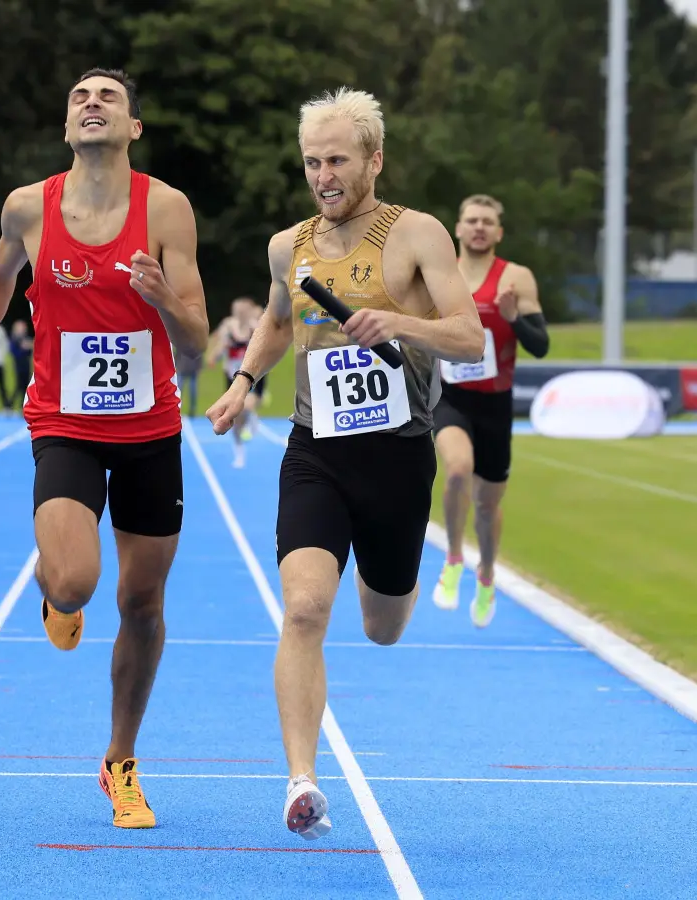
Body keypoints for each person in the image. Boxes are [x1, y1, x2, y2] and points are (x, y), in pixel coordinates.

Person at [206, 86, 483, 841]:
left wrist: (394, 321)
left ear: (374, 160)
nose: (323, 174)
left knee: (382, 625)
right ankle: (301, 781)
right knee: (302, 608)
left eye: (337, 159)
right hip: (314, 453)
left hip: (396, 458)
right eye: (312, 162)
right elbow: (274, 319)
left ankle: (392, 581)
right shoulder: (286, 246)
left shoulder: (416, 234)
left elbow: (470, 338)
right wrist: (241, 382)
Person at [0, 68, 208, 830]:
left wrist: (164, 300)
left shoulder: (166, 208)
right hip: (64, 421)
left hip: (151, 427)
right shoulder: (28, 207)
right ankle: (54, 580)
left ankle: (120, 762)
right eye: (79, 99)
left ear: (134, 127)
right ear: (66, 129)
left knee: (142, 602)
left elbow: (197, 335)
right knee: (80, 583)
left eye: (109, 99)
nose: (92, 105)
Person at [428, 195, 550, 627]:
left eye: (488, 222)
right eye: (472, 220)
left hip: (496, 405)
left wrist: (514, 317)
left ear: (498, 232)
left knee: (486, 506)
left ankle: (486, 574)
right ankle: (454, 560)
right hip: (451, 399)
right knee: (458, 469)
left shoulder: (516, 278)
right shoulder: (441, 276)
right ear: (458, 229)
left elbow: (540, 346)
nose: (479, 227)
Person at [204, 296, 267, 466]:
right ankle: (239, 452)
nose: (240, 313)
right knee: (235, 418)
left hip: (253, 374)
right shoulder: (228, 326)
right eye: (237, 310)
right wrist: (214, 357)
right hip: (232, 375)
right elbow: (221, 344)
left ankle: (252, 420)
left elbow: (267, 343)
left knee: (248, 405)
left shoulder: (255, 327)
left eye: (243, 311)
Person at [9, 319, 34, 408]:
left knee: (24, 386)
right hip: (19, 365)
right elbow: (14, 351)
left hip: (26, 365)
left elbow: (30, 348)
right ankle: (10, 403)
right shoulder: (15, 338)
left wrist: (27, 347)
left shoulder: (25, 338)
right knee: (19, 385)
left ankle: (21, 404)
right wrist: (24, 348)